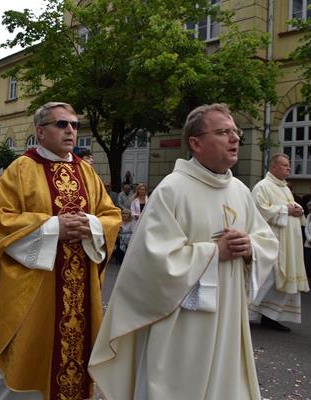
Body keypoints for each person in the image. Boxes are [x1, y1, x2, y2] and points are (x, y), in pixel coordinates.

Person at [88, 103, 278, 400]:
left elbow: (267, 241)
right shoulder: (172, 190)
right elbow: (151, 262)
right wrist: (214, 252)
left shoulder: (240, 190)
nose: (234, 138)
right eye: (223, 132)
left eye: (235, 132)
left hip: (227, 316)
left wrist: (251, 246)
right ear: (196, 142)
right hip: (182, 323)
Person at [0, 102, 121, 400]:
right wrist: (52, 228)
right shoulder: (21, 169)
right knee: (25, 355)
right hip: (33, 288)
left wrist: (92, 226)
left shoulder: (86, 171)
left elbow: (110, 215)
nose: (71, 130)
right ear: (41, 131)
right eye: (62, 124)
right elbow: (0, 221)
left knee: (74, 357)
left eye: (74, 125)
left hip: (79, 290)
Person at [250, 153, 309, 332]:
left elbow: (291, 210)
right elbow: (258, 211)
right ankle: (243, 313)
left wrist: (298, 211)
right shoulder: (262, 187)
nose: (289, 168)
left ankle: (270, 316)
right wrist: (286, 210)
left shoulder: (284, 188)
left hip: (289, 245)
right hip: (272, 244)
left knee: (280, 282)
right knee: (267, 280)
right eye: (285, 165)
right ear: (274, 167)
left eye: (289, 165)